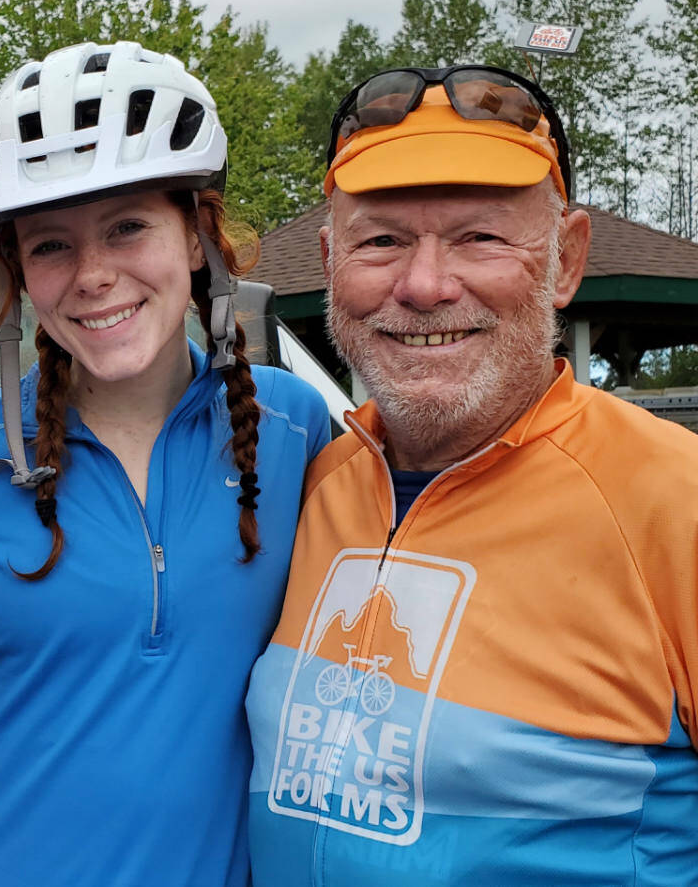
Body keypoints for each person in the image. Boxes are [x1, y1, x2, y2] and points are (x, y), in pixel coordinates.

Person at [245, 65, 698, 886]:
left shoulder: (676, 500)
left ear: (568, 261)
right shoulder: (309, 485)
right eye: (380, 240)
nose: (424, 285)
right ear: (328, 261)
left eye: (480, 237)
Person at [0, 41, 331, 887]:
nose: (93, 276)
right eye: (51, 246)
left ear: (197, 239)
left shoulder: (297, 425)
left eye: (128, 226)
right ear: (18, 274)